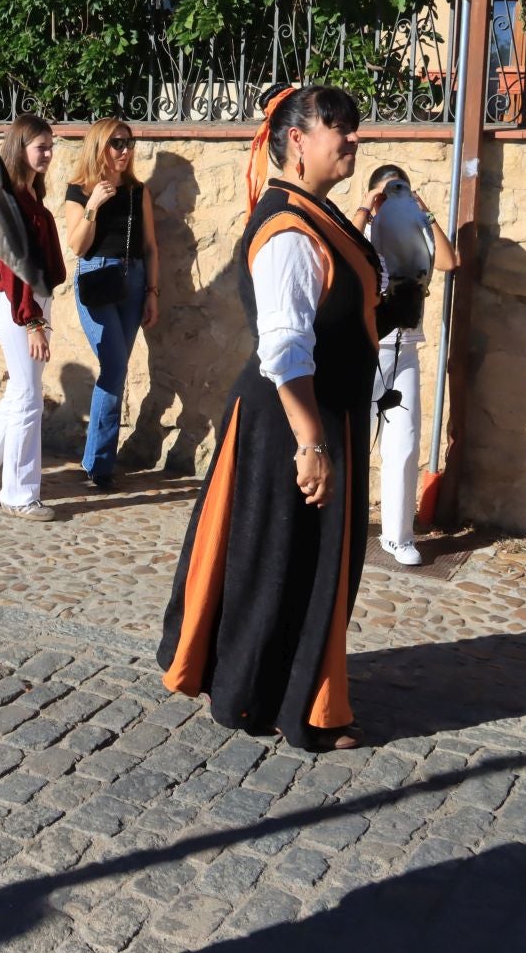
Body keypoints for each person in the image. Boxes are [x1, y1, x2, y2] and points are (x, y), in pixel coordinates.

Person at [157, 84, 390, 752]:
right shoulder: (288, 228)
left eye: (353, 127)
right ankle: (295, 706)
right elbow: (284, 348)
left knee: (293, 565)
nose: (351, 139)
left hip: (320, 417)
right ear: (297, 141)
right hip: (294, 425)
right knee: (288, 566)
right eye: (336, 129)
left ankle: (264, 691)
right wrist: (311, 442)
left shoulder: (317, 213)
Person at [0, 115, 66, 522]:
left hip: (27, 303)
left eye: (51, 146)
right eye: (42, 147)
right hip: (20, 304)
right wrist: (33, 321)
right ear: (20, 148)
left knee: (22, 392)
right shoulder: (12, 203)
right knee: (27, 398)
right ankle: (19, 494)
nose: (49, 154)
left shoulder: (28, 197)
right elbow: (14, 270)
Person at [353, 165, 456, 567]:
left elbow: (448, 261)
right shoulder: (361, 228)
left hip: (406, 345)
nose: (393, 197)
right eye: (387, 191)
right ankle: (342, 522)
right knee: (355, 437)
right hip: (367, 346)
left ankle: (397, 536)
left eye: (401, 190)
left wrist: (424, 213)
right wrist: (367, 207)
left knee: (405, 442)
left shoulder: (415, 224)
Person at [62, 118, 158, 489]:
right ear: (99, 146)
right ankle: (99, 464)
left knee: (116, 368)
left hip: (132, 282)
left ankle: (98, 461)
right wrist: (94, 205)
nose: (124, 150)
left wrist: (152, 292)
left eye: (128, 143)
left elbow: (150, 247)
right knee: (115, 367)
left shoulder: (138, 191)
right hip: (96, 277)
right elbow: (77, 246)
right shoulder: (79, 189)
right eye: (116, 143)